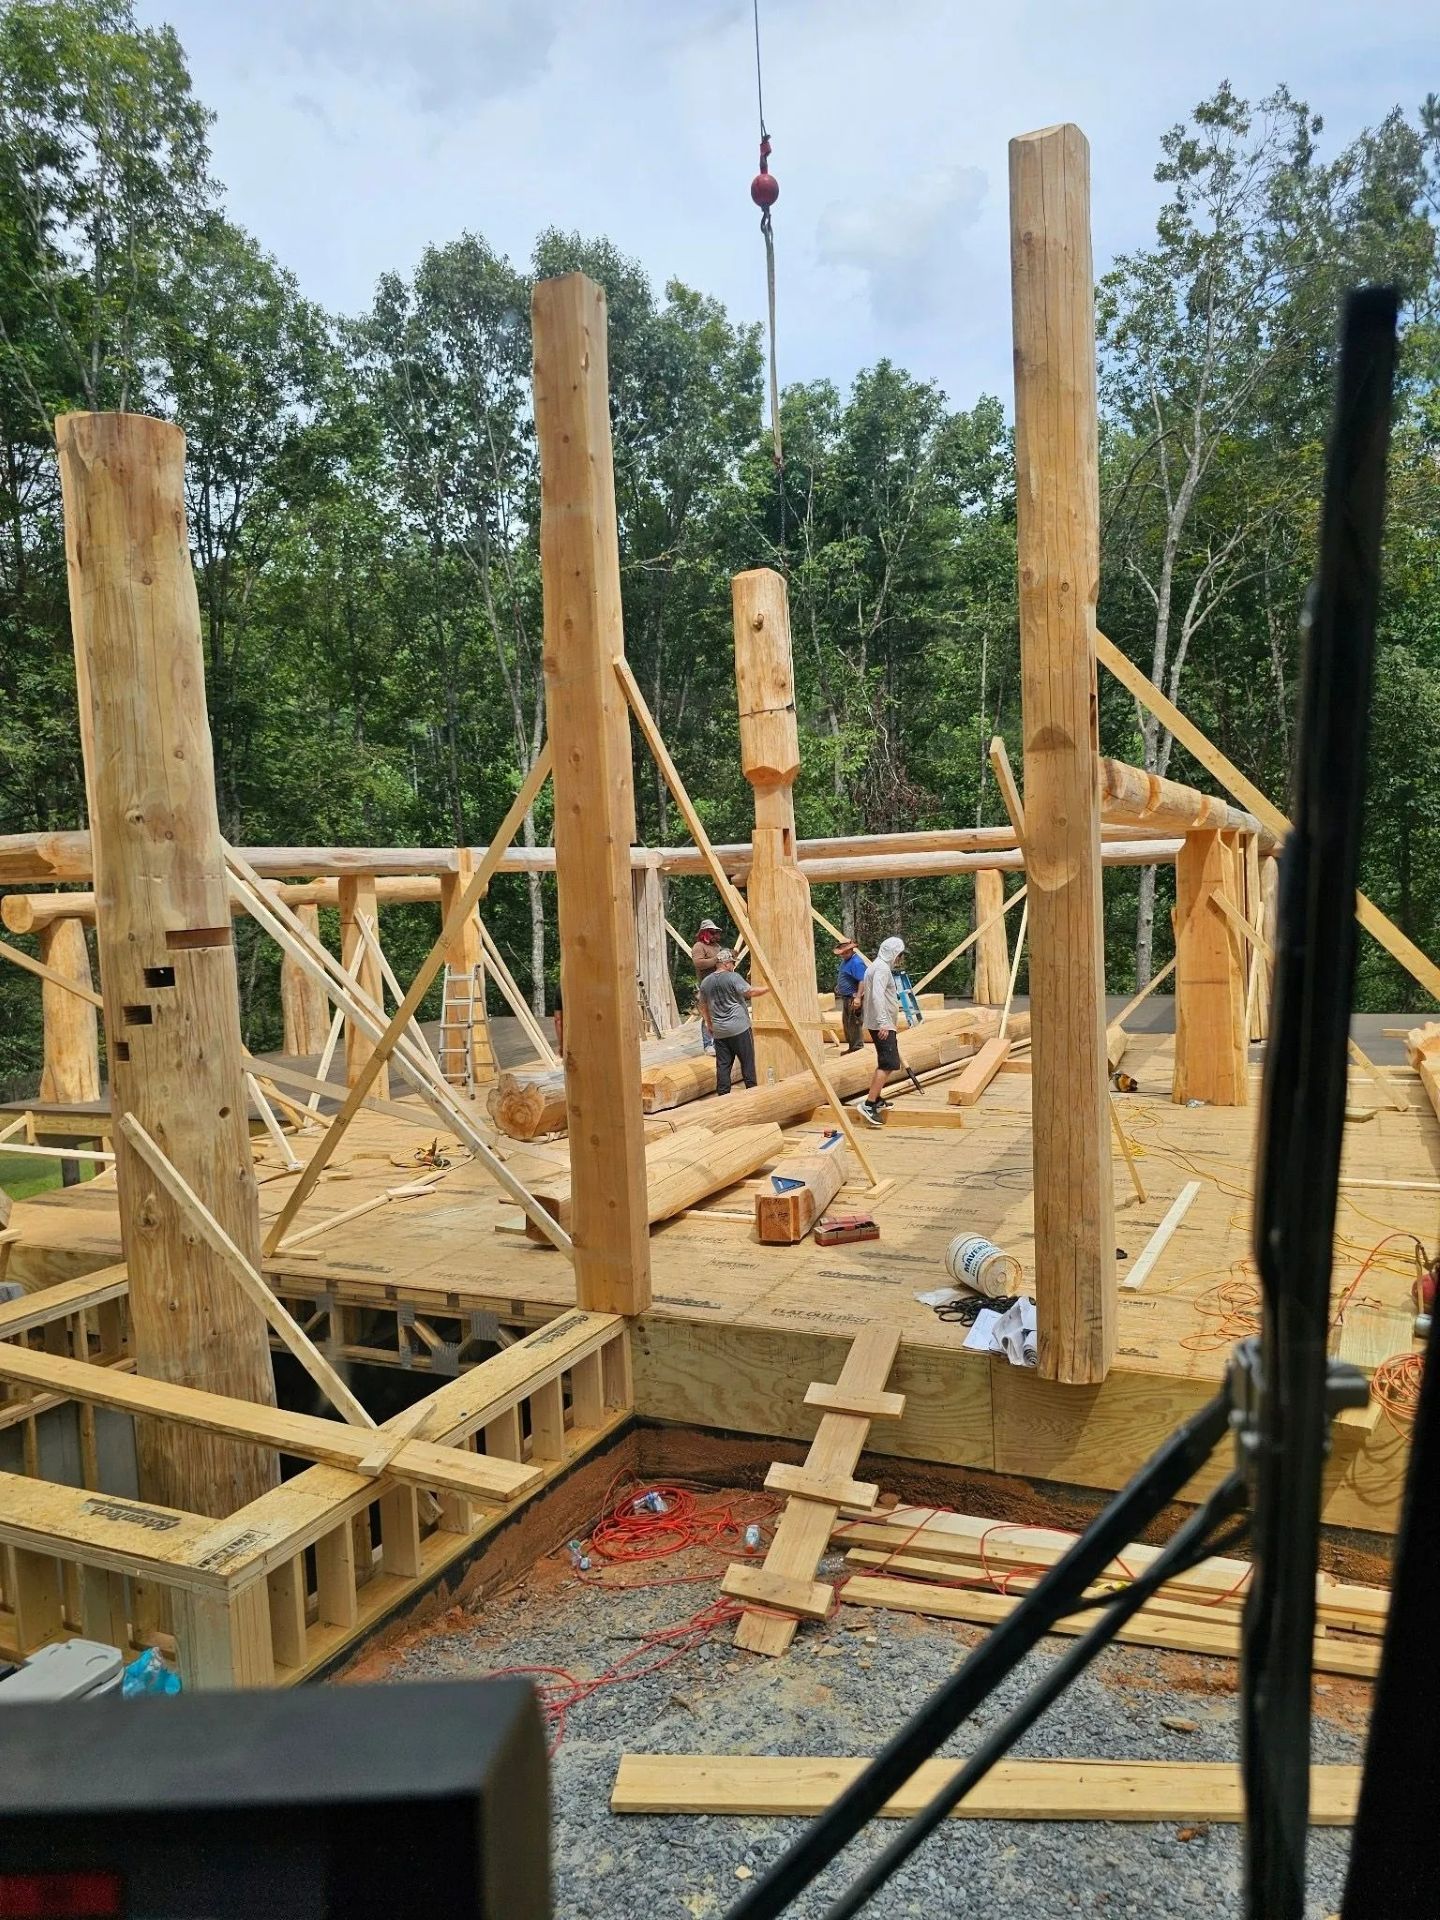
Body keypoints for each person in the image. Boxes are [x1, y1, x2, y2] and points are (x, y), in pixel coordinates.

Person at [697, 948, 770, 1095]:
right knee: (747, 1062)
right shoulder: (733, 977)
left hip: (719, 1031)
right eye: (732, 963)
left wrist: (709, 1023)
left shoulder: (706, 982)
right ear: (726, 963)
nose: (733, 966)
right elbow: (750, 992)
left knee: (723, 1065)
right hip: (739, 1028)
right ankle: (753, 1093)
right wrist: (770, 988)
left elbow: (702, 1005)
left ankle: (723, 1096)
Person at [857, 935, 906, 1126]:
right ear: (893, 953)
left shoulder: (875, 966)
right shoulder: (882, 969)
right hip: (882, 1025)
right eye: (899, 954)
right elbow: (877, 996)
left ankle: (876, 1098)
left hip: (879, 1023)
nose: (900, 958)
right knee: (888, 1064)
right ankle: (869, 1104)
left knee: (885, 1062)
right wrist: (884, 1022)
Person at [691, 918, 724, 1052]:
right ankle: (708, 1044)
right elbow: (698, 963)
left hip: (720, 985)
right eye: (713, 932)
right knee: (708, 1016)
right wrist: (717, 959)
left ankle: (719, 1043)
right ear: (705, 933)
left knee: (720, 1015)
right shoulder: (699, 946)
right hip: (707, 986)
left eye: (716, 932)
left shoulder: (717, 947)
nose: (716, 935)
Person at [833, 936, 867, 1052]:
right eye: (841, 953)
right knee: (847, 1024)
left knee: (854, 1024)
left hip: (853, 998)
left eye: (845, 953)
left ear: (851, 950)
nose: (842, 955)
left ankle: (857, 1048)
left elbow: (862, 980)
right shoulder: (846, 961)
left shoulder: (856, 962)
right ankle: (851, 1048)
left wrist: (858, 998)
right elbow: (846, 976)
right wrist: (840, 986)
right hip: (846, 998)